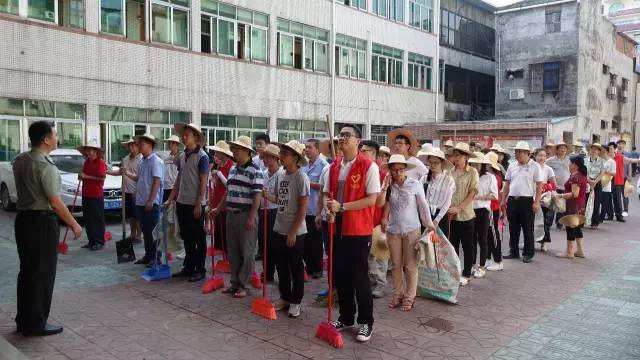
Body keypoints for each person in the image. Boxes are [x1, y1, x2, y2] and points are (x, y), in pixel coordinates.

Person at [13, 121, 82, 336]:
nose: (57, 139)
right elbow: (55, 201)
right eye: (54, 135)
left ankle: (24, 319)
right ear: (45, 139)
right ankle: (36, 323)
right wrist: (74, 223)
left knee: (27, 272)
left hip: (23, 220)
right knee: (42, 274)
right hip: (41, 223)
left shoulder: (21, 160)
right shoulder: (45, 166)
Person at [324, 126, 380, 342]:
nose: (342, 138)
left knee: (359, 278)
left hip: (358, 230)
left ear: (358, 141)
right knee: (341, 276)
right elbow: (330, 195)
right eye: (341, 135)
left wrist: (342, 207)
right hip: (336, 228)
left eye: (347, 135)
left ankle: (366, 322)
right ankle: (346, 316)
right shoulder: (335, 166)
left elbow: (371, 200)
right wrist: (329, 210)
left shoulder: (368, 166)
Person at [378, 155, 434, 312]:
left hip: (412, 229)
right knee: (395, 265)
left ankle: (410, 297)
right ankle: (398, 294)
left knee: (410, 266)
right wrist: (384, 216)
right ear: (390, 170)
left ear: (405, 170)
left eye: (401, 170)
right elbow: (383, 203)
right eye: (394, 170)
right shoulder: (389, 185)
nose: (398, 173)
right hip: (393, 230)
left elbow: (423, 205)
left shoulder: (414, 184)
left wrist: (428, 224)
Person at [214, 136, 264, 298]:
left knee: (247, 251)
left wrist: (252, 216)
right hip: (231, 213)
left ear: (245, 151)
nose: (233, 151)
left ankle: (244, 284)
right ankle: (234, 282)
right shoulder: (234, 169)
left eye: (236, 149)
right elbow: (228, 191)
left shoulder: (255, 170)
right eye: (233, 148)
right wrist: (219, 208)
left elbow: (257, 196)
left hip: (246, 215)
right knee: (233, 251)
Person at [268, 141, 310, 318]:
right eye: (281, 152)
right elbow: (279, 199)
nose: (281, 156)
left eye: (285, 153)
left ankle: (295, 301)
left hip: (296, 232)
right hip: (279, 227)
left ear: (295, 157)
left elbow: (302, 209)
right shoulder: (281, 175)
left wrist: (293, 231)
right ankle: (284, 297)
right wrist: (267, 195)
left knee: (296, 267)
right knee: (281, 266)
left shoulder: (301, 178)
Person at [166, 123, 209, 282]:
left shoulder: (202, 156)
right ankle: (189, 266)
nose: (184, 138)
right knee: (187, 237)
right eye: (183, 135)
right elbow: (179, 179)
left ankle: (200, 269)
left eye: (187, 135)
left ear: (196, 138)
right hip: (182, 202)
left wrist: (199, 204)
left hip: (195, 204)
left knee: (199, 237)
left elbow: (203, 181)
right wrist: (171, 198)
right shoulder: (182, 156)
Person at [502, 141, 543, 263]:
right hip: (512, 200)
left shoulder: (535, 166)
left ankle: (528, 253)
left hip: (527, 201)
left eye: (520, 152)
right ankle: (513, 250)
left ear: (527, 154)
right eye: (516, 152)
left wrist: (536, 202)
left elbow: (539, 185)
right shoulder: (512, 165)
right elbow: (507, 184)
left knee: (527, 228)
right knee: (513, 227)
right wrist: (503, 200)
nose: (517, 154)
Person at [130, 134, 164, 265]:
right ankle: (148, 255)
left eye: (141, 144)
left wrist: (151, 200)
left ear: (150, 145)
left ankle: (156, 257)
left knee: (153, 231)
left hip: (151, 203)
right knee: (145, 231)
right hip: (141, 201)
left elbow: (156, 181)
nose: (139, 147)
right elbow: (140, 179)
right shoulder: (142, 161)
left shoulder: (156, 161)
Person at [448, 143, 479, 286]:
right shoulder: (449, 171)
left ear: (466, 157)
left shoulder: (472, 172)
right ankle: (454, 271)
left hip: (466, 215)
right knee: (452, 245)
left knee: (467, 245)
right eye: (455, 155)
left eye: (459, 155)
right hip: (450, 215)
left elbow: (472, 193)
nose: (456, 158)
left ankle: (466, 273)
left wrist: (459, 208)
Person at [360, 140, 388, 299]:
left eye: (367, 151)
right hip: (364, 220)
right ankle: (370, 280)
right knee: (367, 256)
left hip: (378, 220)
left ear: (375, 155)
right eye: (361, 150)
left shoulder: (383, 174)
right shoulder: (360, 171)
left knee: (379, 254)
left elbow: (388, 199)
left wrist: (385, 217)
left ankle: (381, 283)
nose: (363, 153)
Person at [469, 152, 498, 279]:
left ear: (482, 164)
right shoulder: (469, 175)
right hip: (469, 210)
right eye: (473, 163)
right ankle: (472, 264)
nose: (475, 166)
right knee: (471, 239)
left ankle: (482, 266)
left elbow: (494, 195)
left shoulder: (489, 177)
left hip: (483, 211)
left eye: (477, 164)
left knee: (482, 238)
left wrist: (477, 197)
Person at [108, 139, 142, 244]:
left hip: (137, 192)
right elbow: (120, 172)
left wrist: (126, 173)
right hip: (126, 191)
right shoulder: (126, 159)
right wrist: (107, 171)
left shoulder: (141, 160)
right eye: (130, 146)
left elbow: (139, 177)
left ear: (137, 147)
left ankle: (138, 235)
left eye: (133, 146)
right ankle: (132, 234)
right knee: (131, 216)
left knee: (137, 216)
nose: (131, 148)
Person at [303, 139, 328, 279]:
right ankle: (309, 267)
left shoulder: (324, 166)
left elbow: (323, 186)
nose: (307, 150)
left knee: (316, 242)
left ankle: (317, 268)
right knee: (306, 241)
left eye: (310, 147)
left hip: (315, 209)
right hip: (305, 209)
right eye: (306, 148)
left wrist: (308, 182)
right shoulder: (304, 166)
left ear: (318, 150)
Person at [555, 156, 589, 258]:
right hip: (580, 205)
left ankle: (569, 252)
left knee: (570, 227)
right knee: (577, 227)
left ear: (575, 164)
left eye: (570, 163)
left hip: (573, 205)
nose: (569, 165)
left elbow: (575, 193)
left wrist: (560, 195)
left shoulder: (576, 176)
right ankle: (580, 251)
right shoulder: (581, 175)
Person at [77, 142, 107, 251]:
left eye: (91, 150)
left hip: (96, 194)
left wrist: (86, 176)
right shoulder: (86, 162)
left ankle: (99, 241)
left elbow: (102, 178)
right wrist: (81, 176)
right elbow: (84, 175)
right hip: (86, 193)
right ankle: (91, 240)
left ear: (96, 152)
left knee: (97, 218)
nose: (88, 152)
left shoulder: (101, 163)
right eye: (87, 150)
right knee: (88, 219)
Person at [420, 148, 454, 237]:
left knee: (441, 248)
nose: (433, 165)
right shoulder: (423, 179)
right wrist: (424, 218)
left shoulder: (448, 180)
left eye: (436, 163)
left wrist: (436, 220)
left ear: (442, 163)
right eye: (431, 162)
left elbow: (447, 203)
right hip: (425, 215)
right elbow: (419, 200)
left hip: (441, 216)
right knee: (425, 246)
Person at [209, 141, 235, 257]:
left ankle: (228, 256)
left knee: (226, 230)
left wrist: (218, 173)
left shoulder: (231, 165)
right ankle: (222, 252)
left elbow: (228, 184)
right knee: (219, 228)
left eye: (217, 153)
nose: (215, 155)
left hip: (226, 202)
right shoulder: (219, 165)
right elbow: (216, 183)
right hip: (217, 200)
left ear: (223, 154)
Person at [260, 144, 281, 282]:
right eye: (264, 157)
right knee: (263, 244)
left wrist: (267, 196)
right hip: (263, 211)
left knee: (275, 245)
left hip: (275, 212)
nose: (265, 160)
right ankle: (266, 272)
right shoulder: (263, 174)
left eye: (268, 157)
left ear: (275, 158)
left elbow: (281, 199)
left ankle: (275, 272)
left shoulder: (281, 175)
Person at [485, 151, 506, 271]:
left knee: (493, 235)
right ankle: (488, 258)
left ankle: (498, 261)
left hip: (492, 208)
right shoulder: (492, 175)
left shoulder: (495, 177)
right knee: (487, 235)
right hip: (488, 208)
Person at [534, 148, 556, 252]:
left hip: (544, 198)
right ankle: (529, 241)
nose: (542, 158)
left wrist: (545, 186)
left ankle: (544, 242)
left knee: (545, 220)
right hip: (532, 196)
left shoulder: (548, 169)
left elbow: (554, 184)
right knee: (532, 221)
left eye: (544, 156)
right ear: (535, 156)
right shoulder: (531, 167)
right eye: (540, 155)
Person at [546, 141, 570, 230]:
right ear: (557, 150)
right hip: (553, 186)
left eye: (564, 148)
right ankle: (548, 224)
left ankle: (559, 223)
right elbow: (545, 170)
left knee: (561, 206)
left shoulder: (569, 160)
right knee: (551, 206)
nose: (563, 149)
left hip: (565, 186)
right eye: (561, 148)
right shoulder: (550, 160)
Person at [584, 143, 605, 229]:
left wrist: (595, 182)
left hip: (597, 183)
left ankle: (594, 222)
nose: (594, 151)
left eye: (596, 149)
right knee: (584, 202)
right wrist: (589, 181)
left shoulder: (602, 161)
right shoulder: (585, 160)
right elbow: (583, 172)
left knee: (596, 202)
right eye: (592, 149)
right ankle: (583, 221)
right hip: (586, 183)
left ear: (599, 152)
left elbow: (602, 173)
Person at [600, 143, 618, 222]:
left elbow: (614, 173)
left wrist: (606, 172)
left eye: (602, 150)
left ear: (606, 151)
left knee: (605, 202)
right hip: (598, 183)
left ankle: (602, 217)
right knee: (598, 201)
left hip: (606, 184)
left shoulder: (611, 161)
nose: (601, 152)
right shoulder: (600, 160)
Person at [162, 135, 180, 202]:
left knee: (173, 209)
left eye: (172, 143)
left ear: (177, 145)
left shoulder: (180, 157)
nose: (170, 145)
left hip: (174, 188)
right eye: (169, 143)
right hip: (165, 187)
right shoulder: (166, 157)